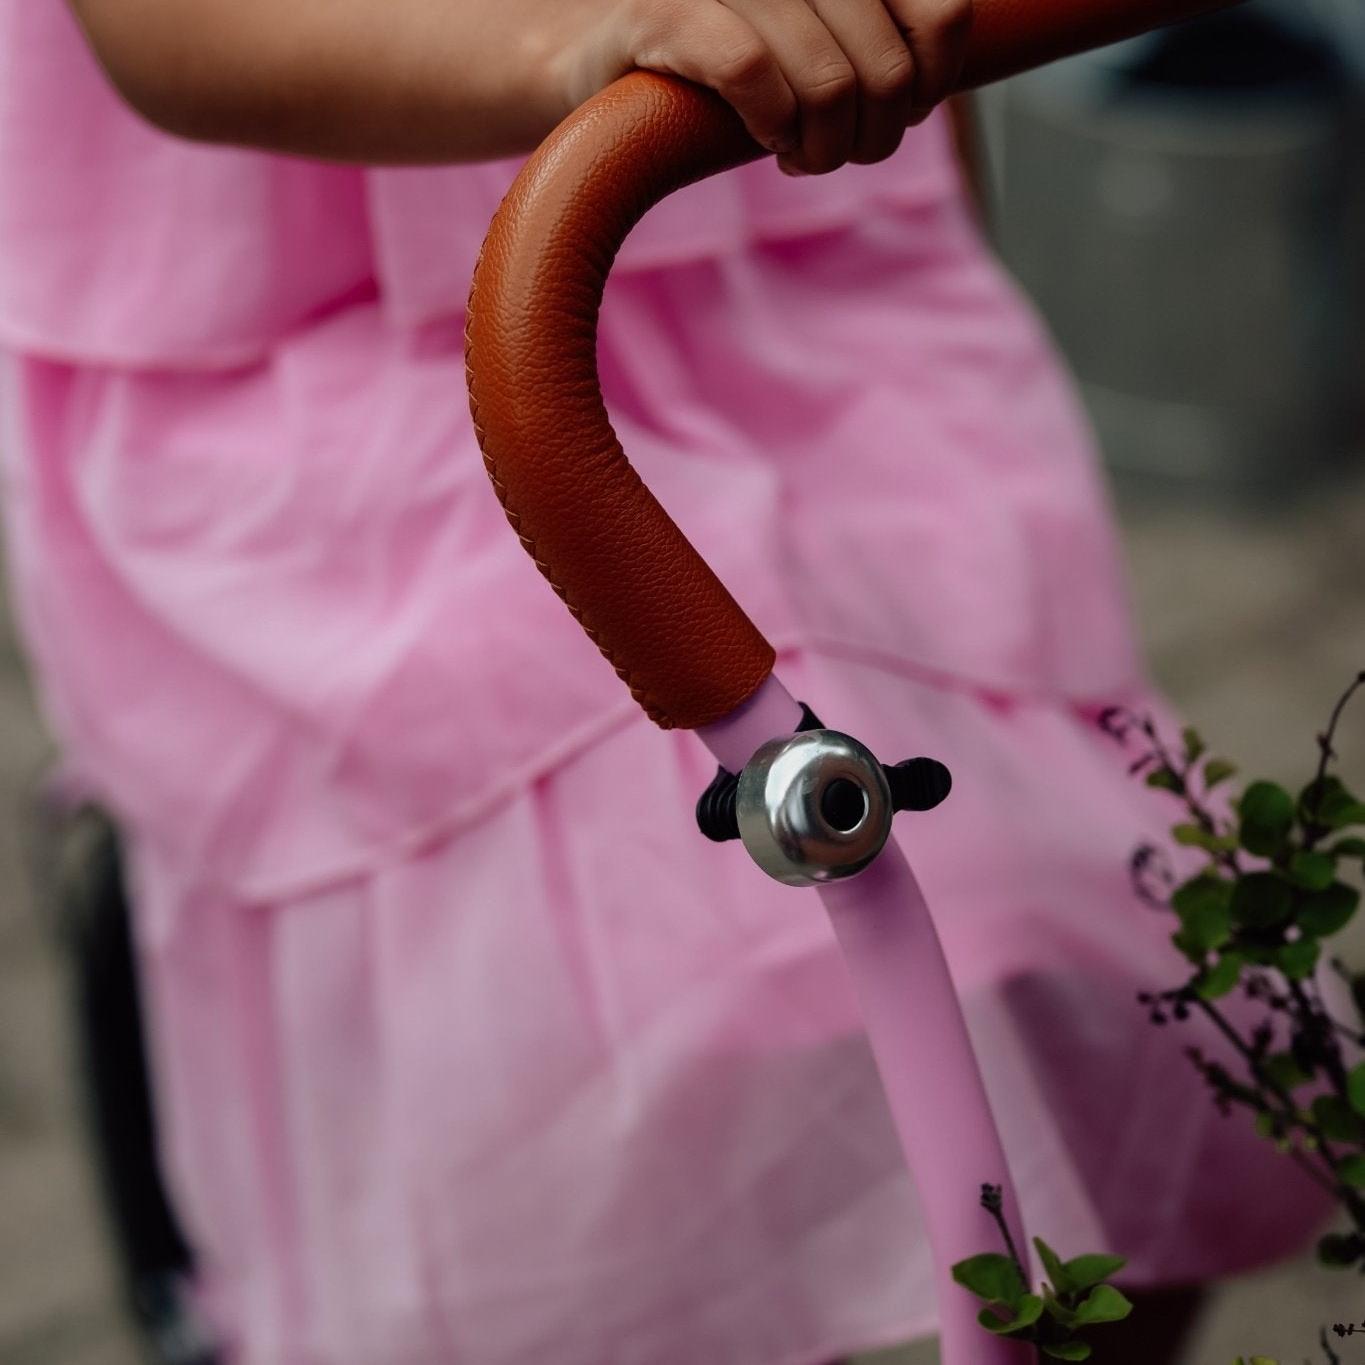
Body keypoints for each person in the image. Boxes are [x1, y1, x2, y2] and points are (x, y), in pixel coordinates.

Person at [0, 1, 1328, 1362]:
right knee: (567, 1100)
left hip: (791, 234)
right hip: (337, 308)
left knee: (1099, 994)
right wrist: (565, 51)